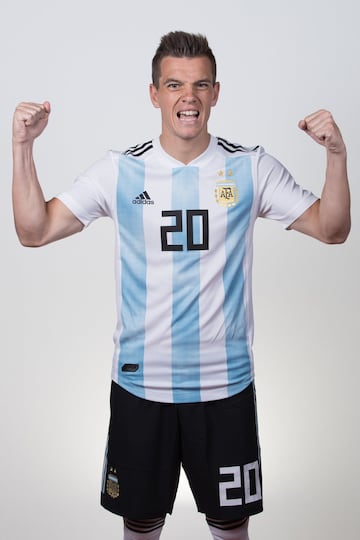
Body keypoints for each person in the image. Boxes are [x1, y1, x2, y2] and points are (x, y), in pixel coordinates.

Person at [12, 31, 350, 540]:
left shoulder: (250, 167)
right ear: (155, 94)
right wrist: (22, 146)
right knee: (141, 523)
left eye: (199, 85)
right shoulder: (120, 171)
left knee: (229, 524)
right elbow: (33, 230)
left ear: (216, 92)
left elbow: (333, 228)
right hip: (141, 386)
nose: (187, 97)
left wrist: (337, 156)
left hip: (225, 385)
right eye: (174, 85)